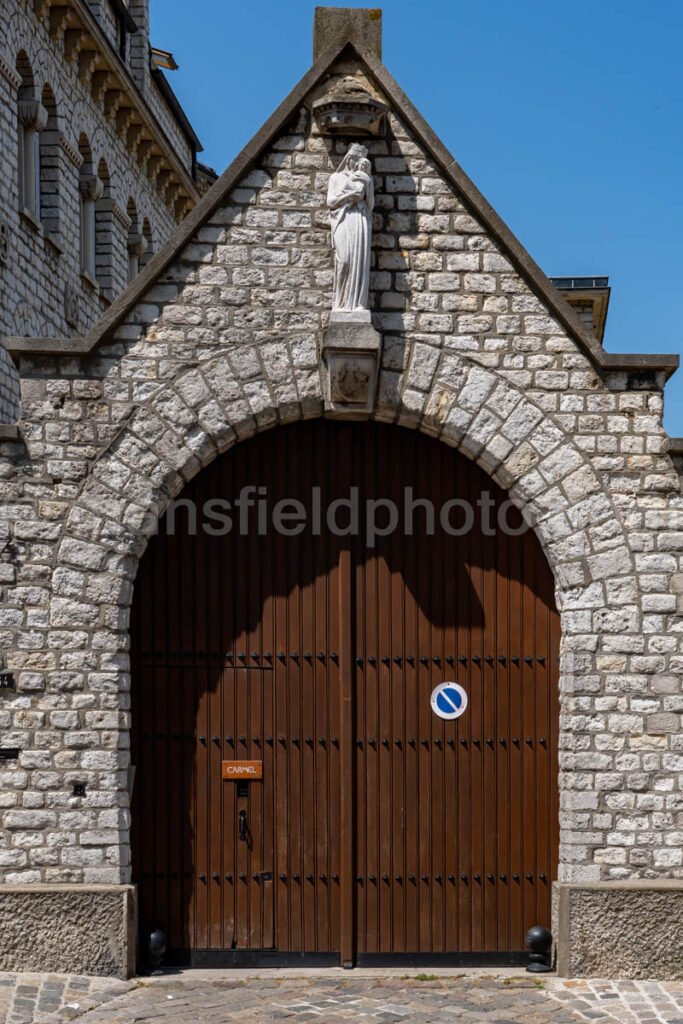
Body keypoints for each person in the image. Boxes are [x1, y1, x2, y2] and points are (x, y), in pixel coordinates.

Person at [327, 143, 374, 312]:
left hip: (359, 219)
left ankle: (357, 304)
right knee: (344, 259)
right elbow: (331, 202)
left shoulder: (364, 178)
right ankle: (339, 302)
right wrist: (349, 196)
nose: (356, 163)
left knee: (358, 261)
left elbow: (370, 205)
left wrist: (368, 185)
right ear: (348, 158)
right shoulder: (336, 177)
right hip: (342, 219)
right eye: (354, 159)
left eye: (360, 161)